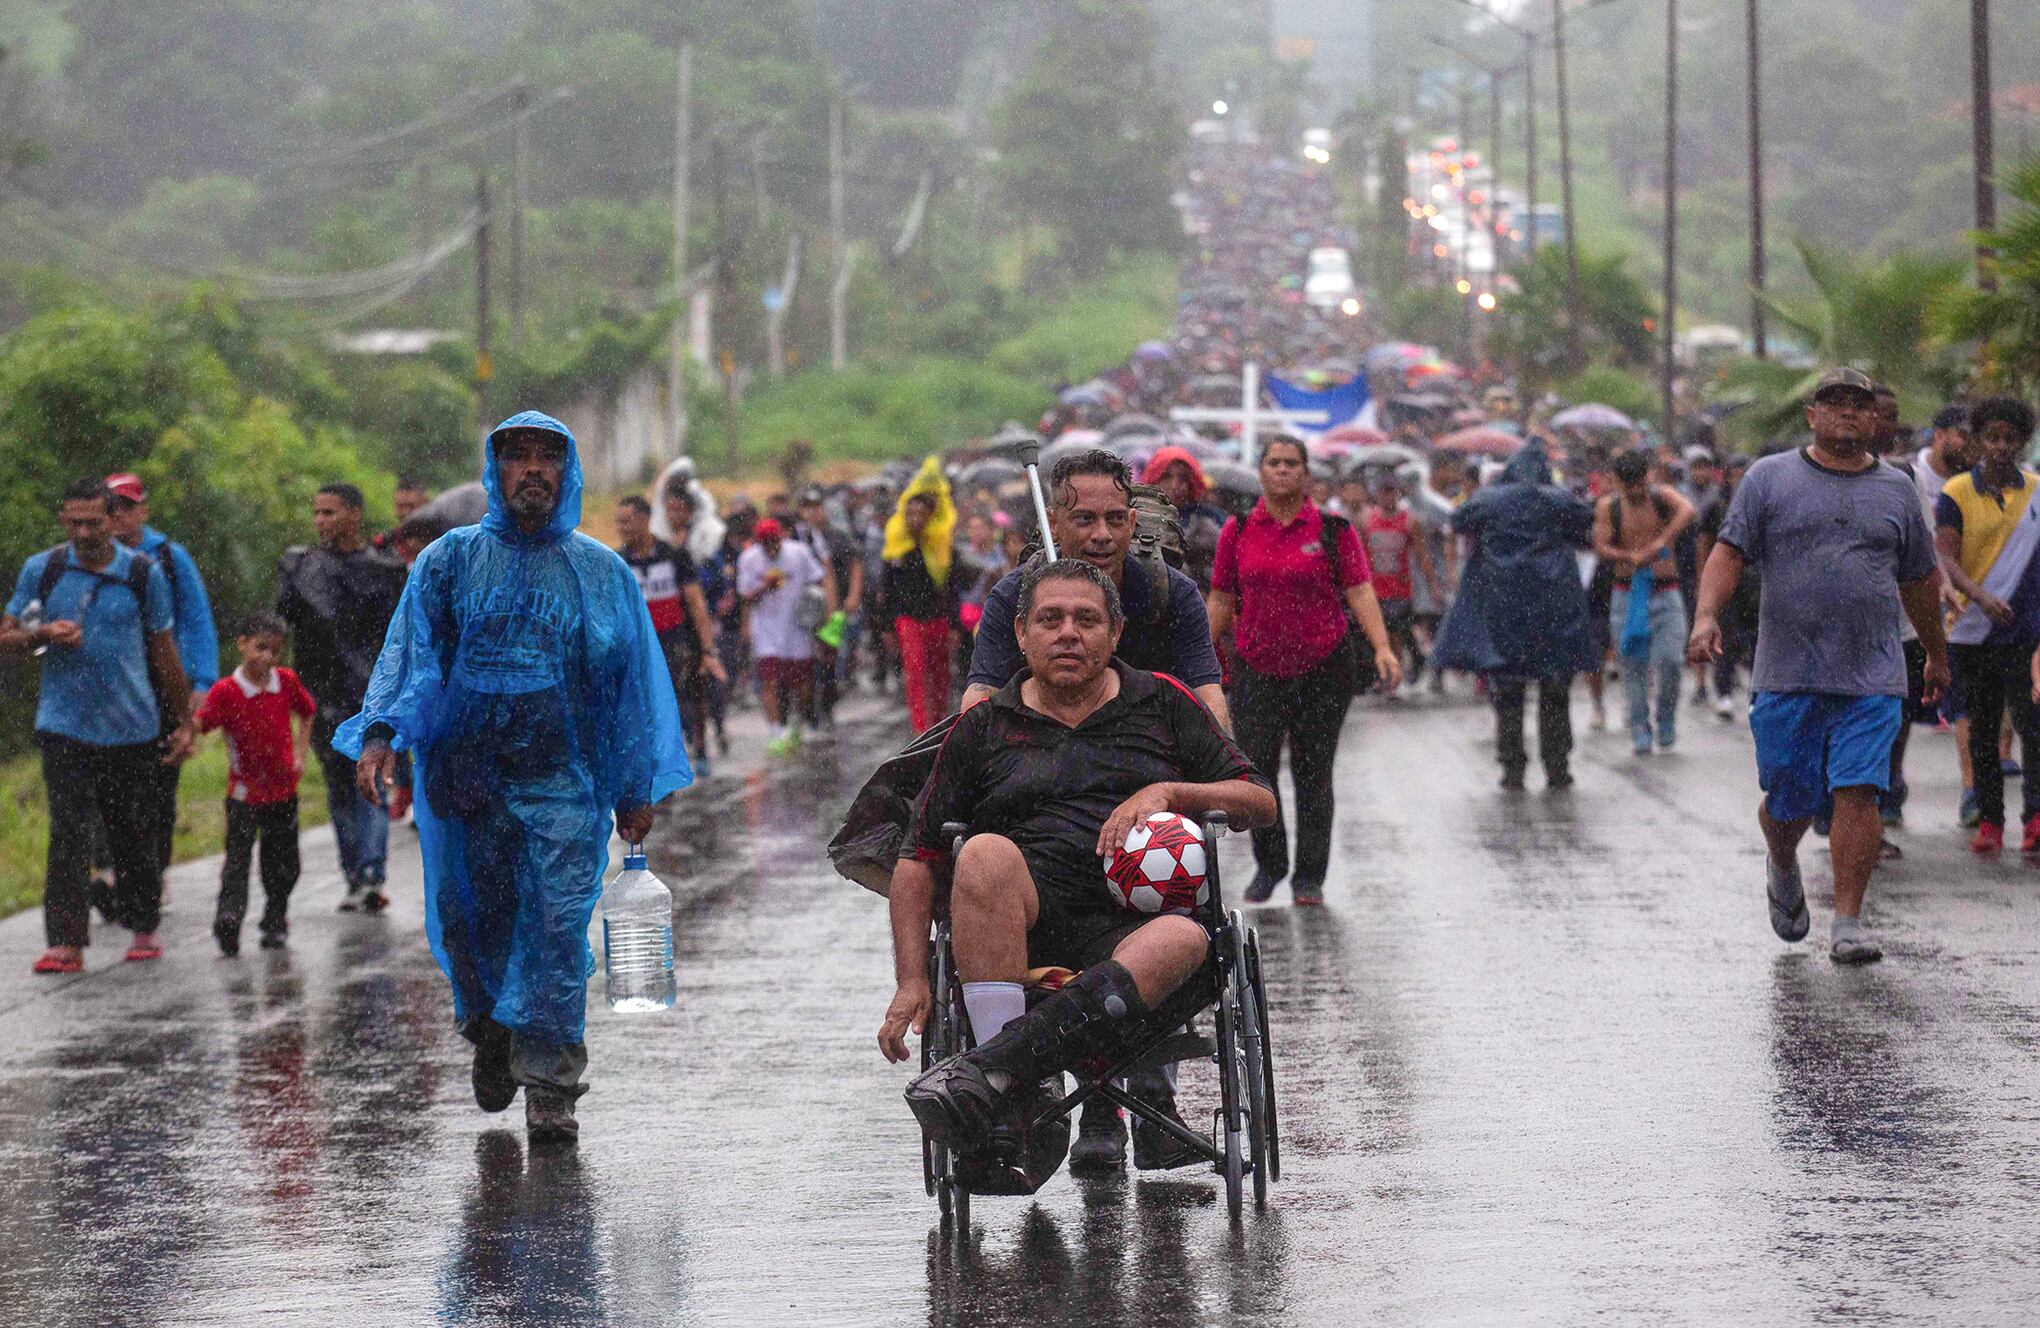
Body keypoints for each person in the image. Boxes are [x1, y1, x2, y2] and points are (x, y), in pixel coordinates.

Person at [343, 411, 692, 1145]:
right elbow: (410, 656)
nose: (533, 469)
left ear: (567, 473)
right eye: (518, 457)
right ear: (494, 472)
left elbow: (626, 690)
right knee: (473, 921)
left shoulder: (600, 573)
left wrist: (635, 786)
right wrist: (381, 734)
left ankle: (553, 1084)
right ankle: (490, 1030)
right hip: (466, 780)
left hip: (562, 779)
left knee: (557, 926)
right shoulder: (448, 562)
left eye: (547, 458)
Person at [879, 560, 1276, 1184]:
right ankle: (1021, 1094)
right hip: (1021, 931)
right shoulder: (984, 727)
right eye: (1051, 620)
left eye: (1087, 620)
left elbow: (1260, 800)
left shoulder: (1162, 702)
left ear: (1115, 633)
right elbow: (916, 860)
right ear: (1020, 633)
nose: (1069, 633)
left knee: (1187, 936)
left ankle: (996, 1071)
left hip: (1138, 934)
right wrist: (909, 980)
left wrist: (1170, 792)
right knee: (980, 852)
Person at [1689, 368, 1949, 965]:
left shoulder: (1896, 489)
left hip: (1873, 672)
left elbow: (1918, 580)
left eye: (1860, 406)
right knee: (1791, 797)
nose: (1848, 415)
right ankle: (1782, 861)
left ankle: (1849, 921)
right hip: (1788, 670)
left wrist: (1935, 653)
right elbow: (1729, 552)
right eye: (1834, 404)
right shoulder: (1768, 479)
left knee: (1859, 791)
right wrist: (1707, 616)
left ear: (1875, 419)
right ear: (1812, 416)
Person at [2, 479, 195, 973]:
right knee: (69, 831)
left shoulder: (141, 572)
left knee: (133, 830)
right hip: (64, 724)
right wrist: (43, 632)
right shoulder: (43, 570)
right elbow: (8, 634)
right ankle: (66, 942)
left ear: (114, 520)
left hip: (132, 725)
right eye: (73, 522)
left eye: (93, 521)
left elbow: (163, 648)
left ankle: (143, 927)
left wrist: (184, 721)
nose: (83, 531)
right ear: (63, 520)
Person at [1206, 435, 1402, 905]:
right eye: (1273, 463)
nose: (1281, 471)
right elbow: (1221, 599)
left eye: (1291, 464)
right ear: (1261, 471)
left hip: (1324, 668)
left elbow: (1359, 591)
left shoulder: (1333, 530)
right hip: (1256, 668)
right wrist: (1198, 655)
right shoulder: (1237, 529)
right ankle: (1269, 865)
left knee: (1315, 773)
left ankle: (1309, 877)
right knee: (1257, 773)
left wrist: (1382, 647)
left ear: (1306, 473)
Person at [964, 450, 1227, 730]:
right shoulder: (1012, 596)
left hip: (1147, 751)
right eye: (1085, 520)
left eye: (1115, 519)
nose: (1102, 535)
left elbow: (1208, 699)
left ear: (1132, 521)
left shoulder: (1175, 594)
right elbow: (980, 697)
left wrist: (1212, 766)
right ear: (1054, 524)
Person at [1431, 441, 1600, 790]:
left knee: (1507, 691)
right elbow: (1586, 519)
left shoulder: (1491, 500)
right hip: (1554, 609)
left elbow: (1458, 520)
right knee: (1555, 689)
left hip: (1504, 608)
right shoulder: (1557, 499)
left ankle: (1512, 766)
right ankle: (1557, 767)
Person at [275, 482, 408, 911]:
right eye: (316, 513)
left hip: (372, 693)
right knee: (337, 785)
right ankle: (353, 872)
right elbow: (286, 619)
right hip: (320, 693)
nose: (320, 522)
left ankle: (371, 871)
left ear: (354, 514)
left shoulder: (383, 568)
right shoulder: (300, 566)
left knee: (371, 775)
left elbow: (398, 633)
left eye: (329, 513)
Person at [1932, 397, 2040, 853]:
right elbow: (1945, 556)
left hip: (2025, 627)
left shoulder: (2036, 490)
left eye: (2010, 438)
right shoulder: (1956, 492)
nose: (2001, 446)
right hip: (1972, 629)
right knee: (1982, 726)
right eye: (1992, 437)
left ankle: (2033, 817)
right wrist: (1978, 596)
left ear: (2022, 442)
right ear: (1978, 440)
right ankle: (1990, 820)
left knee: (2031, 723)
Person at [103, 472, 219, 876]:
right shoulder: (93, 557)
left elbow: (197, 616)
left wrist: (203, 681)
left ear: (142, 510)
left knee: (160, 783)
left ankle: (155, 870)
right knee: (112, 781)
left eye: (127, 507)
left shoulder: (169, 556)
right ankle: (111, 867)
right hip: (114, 687)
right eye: (111, 508)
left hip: (166, 685)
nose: (119, 517)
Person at [194, 612, 315, 955]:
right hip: (244, 794)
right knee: (238, 860)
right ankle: (229, 919)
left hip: (283, 790)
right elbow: (201, 723)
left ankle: (276, 917)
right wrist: (185, 726)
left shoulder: (287, 681)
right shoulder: (226, 691)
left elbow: (307, 711)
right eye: (260, 648)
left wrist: (300, 754)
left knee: (284, 862)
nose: (267, 658)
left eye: (275, 651)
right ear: (242, 645)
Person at [1593, 450, 1697, 755]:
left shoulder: (1662, 497)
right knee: (1632, 665)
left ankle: (1666, 716)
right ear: (1618, 482)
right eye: (1629, 486)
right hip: (1627, 592)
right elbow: (1600, 546)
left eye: (1639, 483)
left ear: (1647, 477)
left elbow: (1688, 510)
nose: (1636, 490)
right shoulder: (1608, 507)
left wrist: (1661, 541)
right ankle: (1639, 724)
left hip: (1666, 591)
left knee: (1671, 661)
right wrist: (1629, 556)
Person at [615, 496, 727, 773]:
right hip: (641, 647)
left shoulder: (674, 556)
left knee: (690, 697)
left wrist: (707, 648)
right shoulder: (618, 562)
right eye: (619, 522)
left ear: (645, 520)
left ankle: (700, 749)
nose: (622, 528)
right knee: (650, 707)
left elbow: (696, 602)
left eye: (627, 521)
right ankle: (663, 763)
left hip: (679, 642)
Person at [1914, 405, 1984, 825]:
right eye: (1964, 435)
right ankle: (1886, 790)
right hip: (1916, 601)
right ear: (1940, 435)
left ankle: (1973, 791)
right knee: (1904, 707)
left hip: (1969, 605)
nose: (1972, 445)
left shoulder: (1978, 480)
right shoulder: (1912, 477)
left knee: (1969, 702)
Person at [738, 516, 835, 755]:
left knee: (801, 684)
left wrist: (825, 615)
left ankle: (797, 722)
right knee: (769, 680)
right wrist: (764, 588)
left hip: (797, 629)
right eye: (766, 543)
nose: (771, 548)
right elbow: (745, 596)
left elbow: (820, 579)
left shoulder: (798, 552)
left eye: (774, 542)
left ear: (782, 536)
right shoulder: (749, 559)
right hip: (767, 631)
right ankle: (774, 732)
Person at [882, 460, 957, 734]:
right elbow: (887, 591)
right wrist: (886, 626)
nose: (914, 518)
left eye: (920, 513)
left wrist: (955, 625)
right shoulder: (895, 550)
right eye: (909, 513)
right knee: (915, 674)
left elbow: (952, 587)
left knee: (940, 674)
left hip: (938, 619)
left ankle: (939, 724)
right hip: (908, 620)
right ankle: (921, 729)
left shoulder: (940, 547)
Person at [1360, 471, 1443, 688]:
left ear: (1398, 494)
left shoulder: (1409, 521)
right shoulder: (1367, 521)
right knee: (1379, 636)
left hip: (1401, 590)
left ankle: (1392, 680)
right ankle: (1386, 674)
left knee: (1395, 636)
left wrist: (1433, 586)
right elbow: (1359, 555)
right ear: (1377, 495)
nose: (1387, 498)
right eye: (1383, 493)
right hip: (1374, 590)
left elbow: (1422, 555)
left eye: (1391, 493)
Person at [1696, 454, 1759, 718]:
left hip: (1755, 582)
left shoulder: (1761, 504)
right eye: (1735, 473)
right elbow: (1705, 544)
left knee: (1757, 639)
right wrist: (1705, 581)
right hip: (1726, 580)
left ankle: (1758, 694)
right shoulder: (1717, 505)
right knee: (1728, 639)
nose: (1739, 479)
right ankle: (1723, 693)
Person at [795, 486, 860, 731]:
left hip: (834, 607)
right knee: (804, 663)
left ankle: (828, 704)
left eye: (816, 507)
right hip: (803, 611)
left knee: (829, 659)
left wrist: (853, 596)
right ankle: (808, 712)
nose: (812, 513)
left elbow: (855, 565)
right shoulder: (797, 539)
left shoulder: (837, 537)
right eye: (807, 508)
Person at [1139, 445, 1226, 591]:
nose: (1175, 485)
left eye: (1183, 478)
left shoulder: (1207, 524)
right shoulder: (1133, 520)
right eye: (1166, 476)